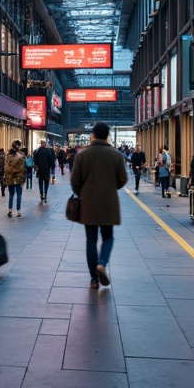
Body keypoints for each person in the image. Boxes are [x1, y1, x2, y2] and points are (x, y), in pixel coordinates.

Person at [70, 122, 128, 289]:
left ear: (93, 135)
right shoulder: (116, 155)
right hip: (109, 202)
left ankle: (94, 279)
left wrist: (83, 193)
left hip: (88, 203)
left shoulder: (82, 155)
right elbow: (123, 179)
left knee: (91, 240)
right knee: (108, 236)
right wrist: (110, 188)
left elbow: (75, 181)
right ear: (107, 136)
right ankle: (102, 263)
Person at [4, 142, 26, 217]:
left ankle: (10, 210)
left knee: (11, 194)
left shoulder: (8, 155)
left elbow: (6, 167)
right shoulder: (22, 156)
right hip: (19, 177)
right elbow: (23, 168)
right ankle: (18, 211)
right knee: (19, 193)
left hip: (10, 177)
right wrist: (23, 177)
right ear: (19, 147)